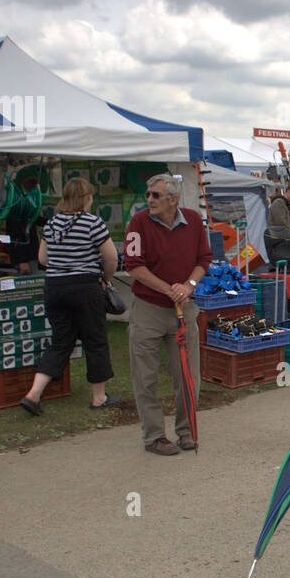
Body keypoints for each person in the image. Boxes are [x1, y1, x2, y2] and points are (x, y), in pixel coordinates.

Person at [123, 174, 211, 455]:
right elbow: (134, 265)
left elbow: (204, 259)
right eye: (148, 194)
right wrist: (168, 290)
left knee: (187, 375)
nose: (149, 200)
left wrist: (189, 286)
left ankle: (186, 432)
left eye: (155, 195)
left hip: (183, 311)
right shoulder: (138, 223)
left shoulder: (194, 221)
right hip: (148, 309)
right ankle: (154, 436)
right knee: (145, 377)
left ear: (173, 199)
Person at [22, 177, 120, 415]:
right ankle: (99, 397)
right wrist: (106, 279)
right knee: (95, 341)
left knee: (60, 341)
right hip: (84, 287)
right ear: (86, 198)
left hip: (55, 287)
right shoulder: (92, 222)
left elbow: (43, 259)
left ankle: (33, 394)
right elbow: (111, 257)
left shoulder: (52, 224)